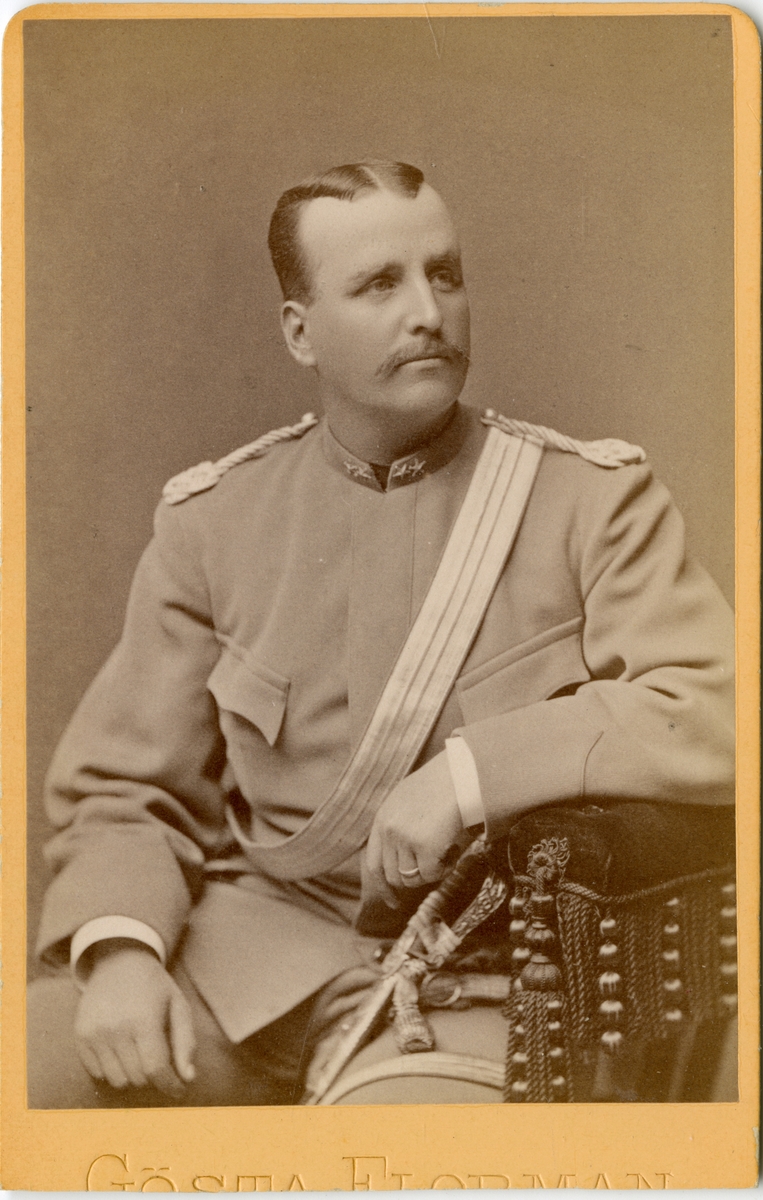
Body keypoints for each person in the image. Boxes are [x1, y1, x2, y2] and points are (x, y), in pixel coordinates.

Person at [28, 161, 735, 1108]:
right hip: (241, 967)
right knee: (25, 1080)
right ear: (299, 332)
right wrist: (120, 950)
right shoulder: (214, 522)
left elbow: (720, 710)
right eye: (378, 285)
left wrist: (469, 775)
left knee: (387, 1153)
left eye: (444, 275)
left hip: (475, 980)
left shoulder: (593, 504)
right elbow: (124, 786)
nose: (428, 313)